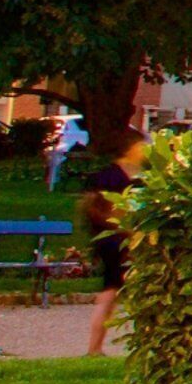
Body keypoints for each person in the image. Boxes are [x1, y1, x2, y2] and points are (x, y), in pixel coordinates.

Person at [75, 134, 145, 354]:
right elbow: (97, 209)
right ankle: (94, 348)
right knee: (111, 292)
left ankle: (96, 348)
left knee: (112, 293)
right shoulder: (111, 176)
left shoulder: (139, 176)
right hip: (116, 241)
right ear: (130, 148)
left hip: (127, 239)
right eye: (142, 146)